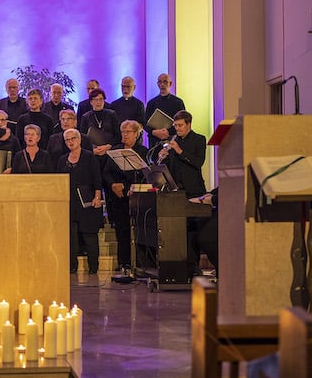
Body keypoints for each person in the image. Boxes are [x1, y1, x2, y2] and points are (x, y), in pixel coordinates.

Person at [157, 110, 208, 275]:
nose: (177, 129)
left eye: (180, 125)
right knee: (178, 229)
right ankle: (179, 264)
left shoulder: (199, 139)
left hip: (193, 190)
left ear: (188, 124)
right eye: (175, 125)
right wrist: (163, 156)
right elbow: (168, 166)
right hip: (176, 191)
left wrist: (179, 151)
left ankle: (194, 265)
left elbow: (198, 162)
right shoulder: (173, 141)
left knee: (193, 229)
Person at [103, 120, 148, 271]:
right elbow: (106, 172)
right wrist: (113, 185)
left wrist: (127, 186)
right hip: (118, 196)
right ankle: (123, 262)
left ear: (136, 134)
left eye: (128, 132)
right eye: (123, 132)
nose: (125, 135)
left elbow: (144, 174)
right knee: (121, 230)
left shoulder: (142, 151)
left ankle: (140, 262)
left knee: (139, 229)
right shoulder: (116, 150)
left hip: (136, 196)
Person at [56, 129, 103, 274]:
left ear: (79, 139)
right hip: (69, 201)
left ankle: (93, 267)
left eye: (73, 139)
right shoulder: (62, 159)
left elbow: (97, 178)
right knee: (71, 236)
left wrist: (97, 197)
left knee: (90, 235)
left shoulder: (89, 156)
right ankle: (72, 267)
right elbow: (59, 181)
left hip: (87, 201)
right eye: (67, 140)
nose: (70, 142)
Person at [78, 88, 121, 162]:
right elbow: (82, 137)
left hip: (110, 151)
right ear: (91, 102)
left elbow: (118, 135)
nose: (98, 102)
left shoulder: (112, 114)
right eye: (95, 100)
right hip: (93, 152)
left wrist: (108, 146)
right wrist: (92, 149)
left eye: (101, 99)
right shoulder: (85, 117)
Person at [144, 73, 185, 148]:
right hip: (154, 140)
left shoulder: (178, 102)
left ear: (170, 84)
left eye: (165, 82)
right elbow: (145, 123)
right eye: (160, 82)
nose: (162, 84)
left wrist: (168, 131)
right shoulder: (151, 103)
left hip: (173, 139)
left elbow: (183, 122)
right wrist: (154, 132)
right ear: (157, 84)